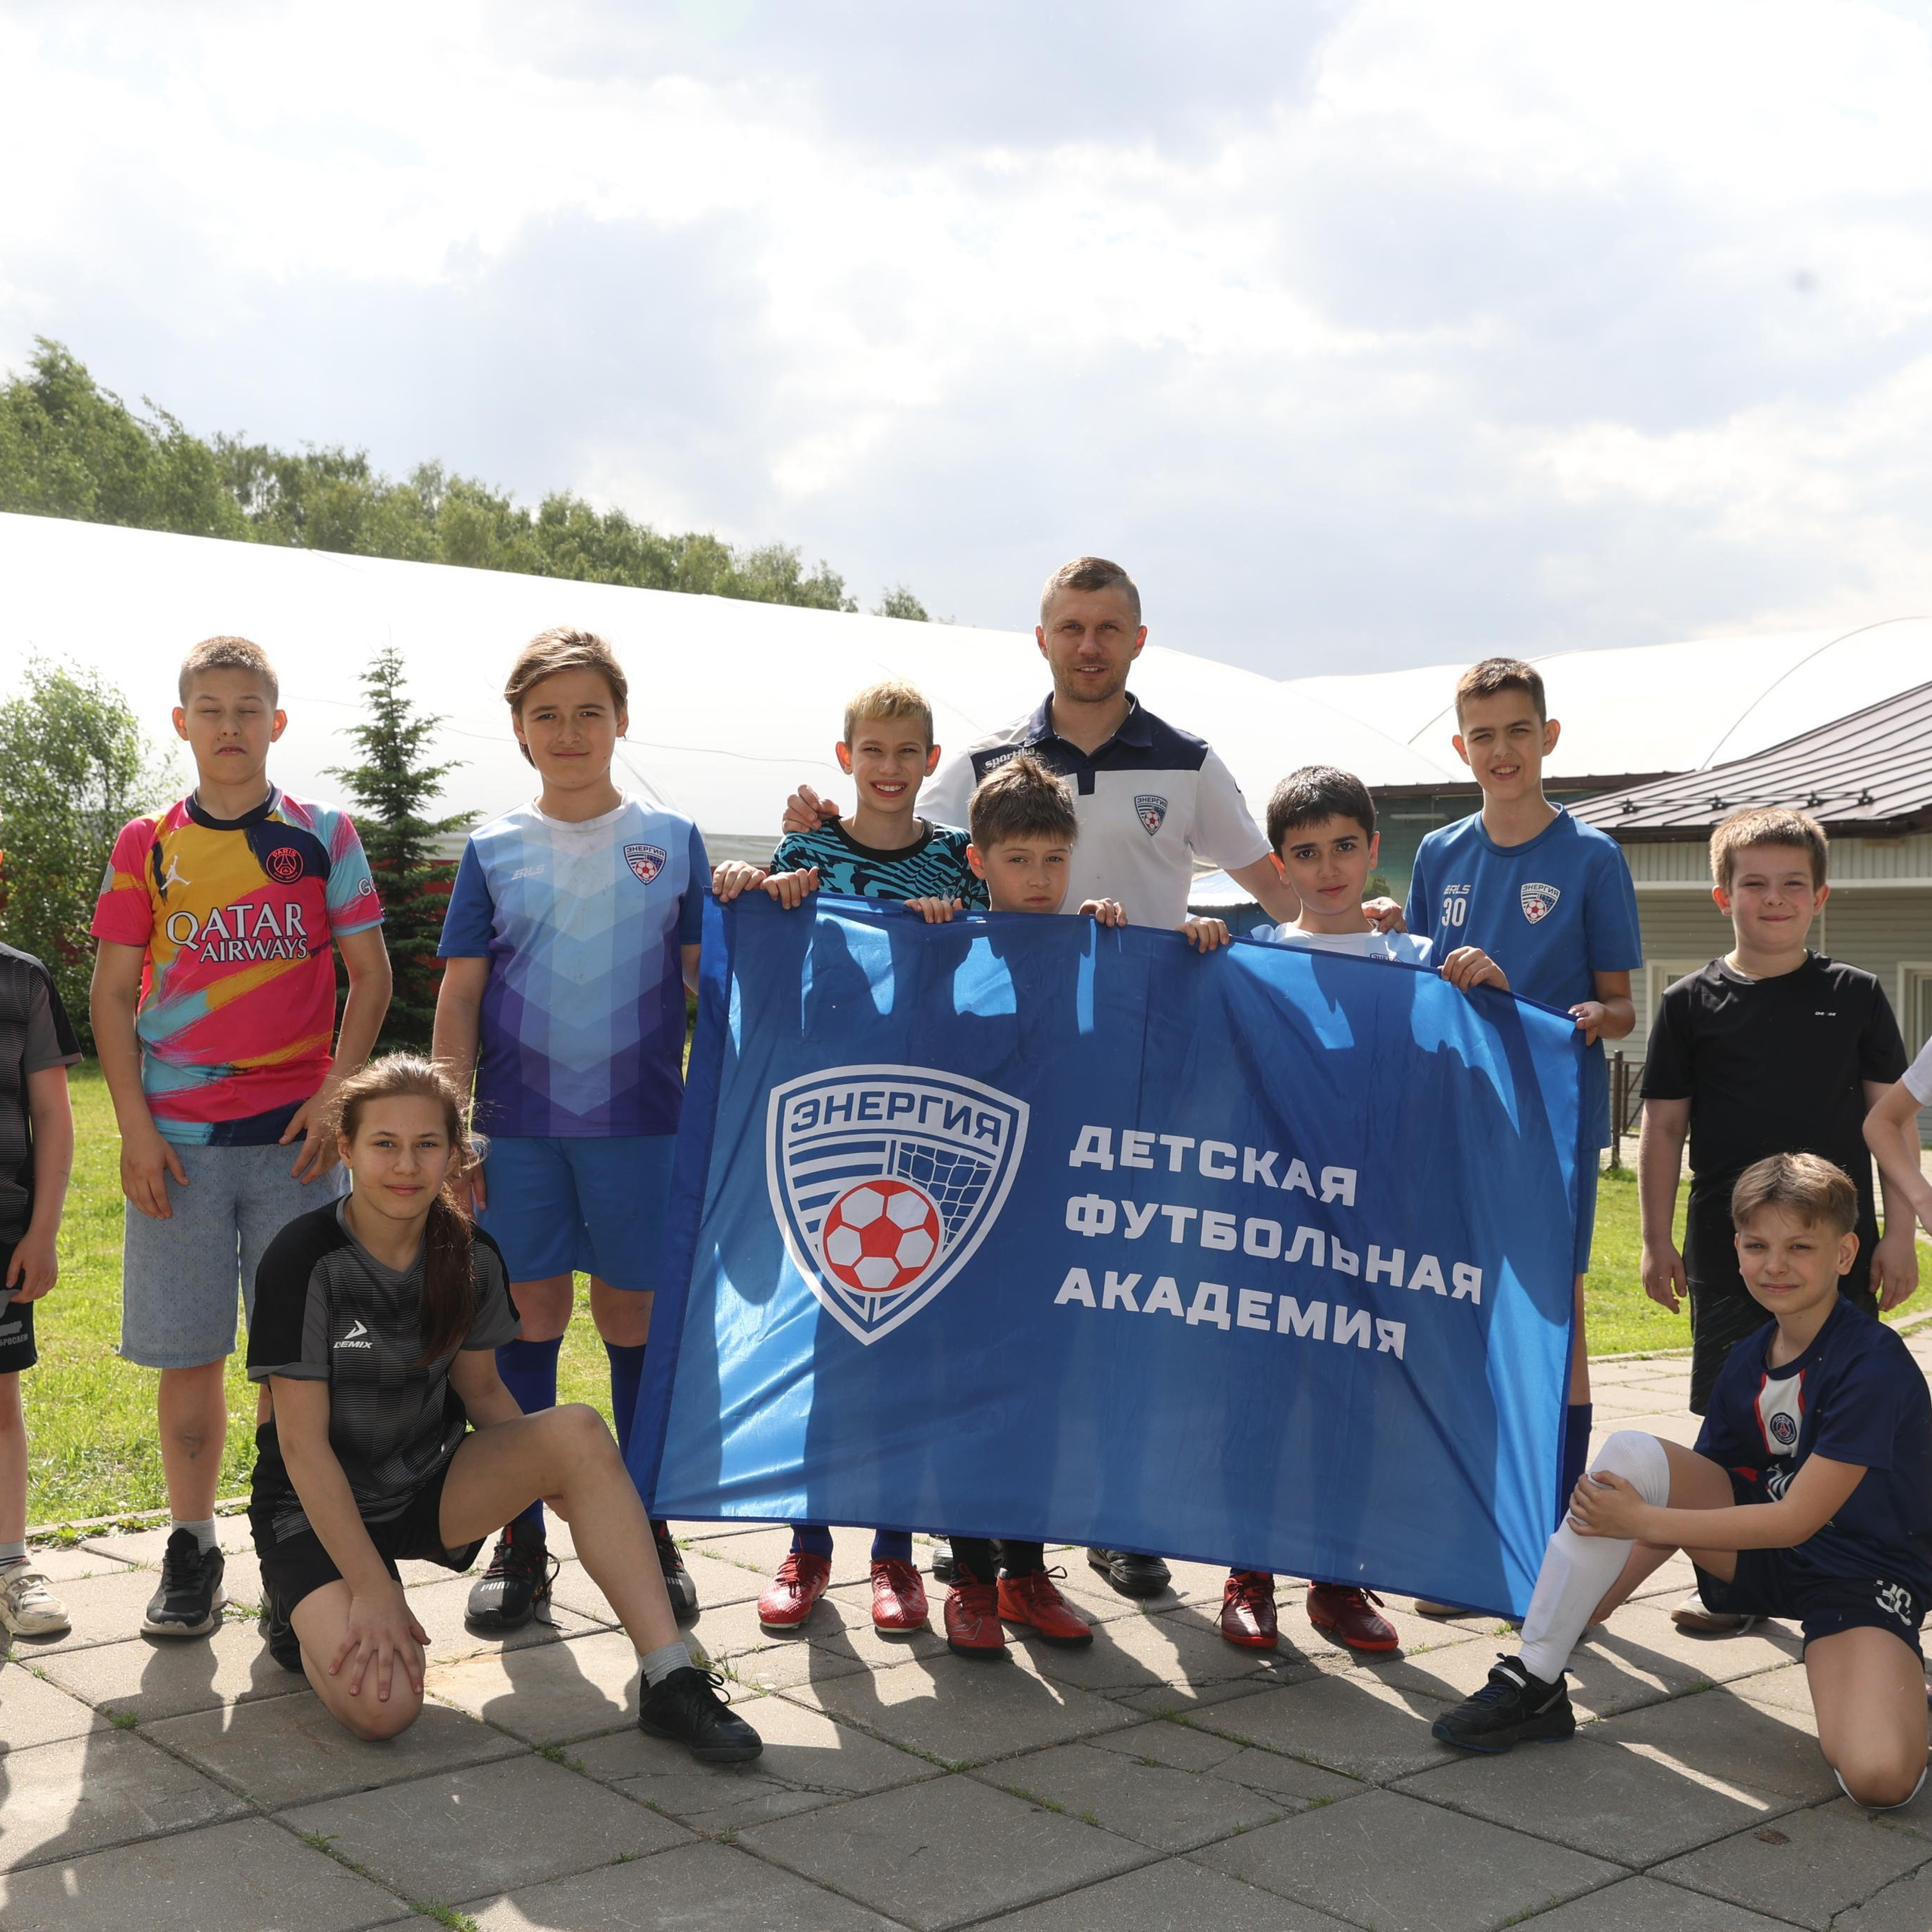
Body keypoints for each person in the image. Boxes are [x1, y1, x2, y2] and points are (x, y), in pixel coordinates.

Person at [785, 555, 1300, 1601]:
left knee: (1112, 1311)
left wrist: (1363, 924)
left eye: (1110, 627)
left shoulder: (1189, 761)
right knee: (986, 1308)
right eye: (1071, 625)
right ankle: (969, 1539)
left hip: (1136, 1083)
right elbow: (904, 860)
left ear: (1138, 641)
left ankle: (1110, 1519)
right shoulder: (980, 761)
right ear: (1044, 639)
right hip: (996, 1084)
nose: (1090, 644)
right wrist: (805, 829)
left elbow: (1278, 890)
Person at [245, 1054, 760, 1762]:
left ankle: (670, 1678)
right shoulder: (303, 1259)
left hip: (424, 1483)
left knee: (576, 1431)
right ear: (348, 1150)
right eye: (384, 1144)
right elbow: (300, 1448)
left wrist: (563, 1480)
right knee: (383, 1712)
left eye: (428, 1144)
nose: (406, 1165)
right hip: (311, 1502)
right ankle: (296, 1611)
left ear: (456, 1154)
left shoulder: (470, 1254)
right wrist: (371, 1590)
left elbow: (482, 1389)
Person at [1432, 1154, 1930, 1814]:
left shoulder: (1872, 1363)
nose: (1775, 1265)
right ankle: (1534, 1677)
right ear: (1737, 1250)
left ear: (1844, 1254)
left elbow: (1793, 1519)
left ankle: (1895, 1695)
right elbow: (1671, 1489)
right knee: (1634, 1452)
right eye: (1758, 1246)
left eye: (1799, 1247)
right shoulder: (1749, 1356)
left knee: (1877, 1779)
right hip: (1769, 1554)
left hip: (1861, 1575)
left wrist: (1640, 1523)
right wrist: (1593, 1601)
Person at [90, 635, 392, 1640]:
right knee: (189, 1360)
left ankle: (286, 1557)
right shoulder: (148, 843)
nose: (229, 726)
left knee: (289, 1368)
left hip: (295, 1149)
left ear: (278, 722)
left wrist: (338, 1094)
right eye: (209, 709)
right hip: (175, 1148)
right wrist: (134, 1127)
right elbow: (112, 991)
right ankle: (191, 1546)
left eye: (247, 709)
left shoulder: (323, 836)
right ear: (182, 723)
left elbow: (372, 975)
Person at [433, 626, 705, 1634]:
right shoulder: (494, 849)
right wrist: (453, 1132)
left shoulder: (673, 841)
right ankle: (523, 1541)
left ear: (621, 721)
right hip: (521, 1136)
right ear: (519, 732)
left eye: (590, 710)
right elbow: (459, 1000)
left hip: (643, 1131)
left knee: (634, 1328)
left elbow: (704, 983)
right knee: (528, 1322)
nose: (571, 730)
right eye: (547, 714)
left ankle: (651, 1528)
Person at [936, 752, 1230, 1657]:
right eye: (1017, 860)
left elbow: (1151, 1032)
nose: (1038, 878)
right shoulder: (948, 948)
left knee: (1038, 1397)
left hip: (1055, 1220)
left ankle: (1026, 1571)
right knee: (968, 1397)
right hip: (963, 1222)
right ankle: (971, 1578)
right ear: (979, 860)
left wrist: (1186, 950)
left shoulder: (1098, 948)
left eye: (1053, 861)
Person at [1214, 765, 1512, 1655]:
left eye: (1345, 846)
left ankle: (1338, 1579)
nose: (1328, 867)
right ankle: (1247, 1573)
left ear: (1375, 850)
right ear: (1280, 863)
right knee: (1259, 1398)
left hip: (1377, 1226)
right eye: (1305, 852)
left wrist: (1489, 994)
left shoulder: (1416, 963)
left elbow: (1485, 1070)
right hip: (1268, 1224)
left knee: (1351, 1403)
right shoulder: (1250, 957)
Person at [712, 678, 986, 1638]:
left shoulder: (959, 861)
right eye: (872, 750)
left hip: (929, 1130)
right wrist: (759, 888)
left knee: (904, 1345)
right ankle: (807, 1543)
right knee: (826, 1346)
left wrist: (961, 930)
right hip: (829, 1131)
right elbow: (763, 953)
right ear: (846, 759)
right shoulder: (808, 854)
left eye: (907, 753)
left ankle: (897, 1557)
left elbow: (1007, 960)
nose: (888, 768)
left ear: (929, 763)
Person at [1403, 657, 1641, 1612]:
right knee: (1464, 1313)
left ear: (1548, 737)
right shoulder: (1438, 855)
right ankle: (1475, 1538)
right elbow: (1420, 986)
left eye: (1517, 731)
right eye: (1481, 735)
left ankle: (1550, 1546)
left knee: (1555, 1320)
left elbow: (1622, 1009)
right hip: (1457, 1121)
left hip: (1548, 1127)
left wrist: (1573, 1015)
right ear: (1460, 748)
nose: (1500, 750)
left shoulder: (1591, 857)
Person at [1641, 806, 1913, 1632]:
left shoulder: (1857, 997)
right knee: (1732, 1423)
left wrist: (1897, 1236)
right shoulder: (1689, 1002)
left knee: (1835, 1417)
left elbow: (1891, 1122)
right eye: (1752, 883)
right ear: (1721, 894)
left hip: (1831, 1249)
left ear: (1819, 895)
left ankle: (1837, 1570)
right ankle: (1734, 1585)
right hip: (1735, 1257)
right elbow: (1661, 1130)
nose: (1772, 898)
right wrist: (1656, 1241)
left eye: (1791, 884)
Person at [0, 945, 81, 1637]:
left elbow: (54, 1115)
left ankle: (9, 1566)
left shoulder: (22, 979)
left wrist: (43, 1231)